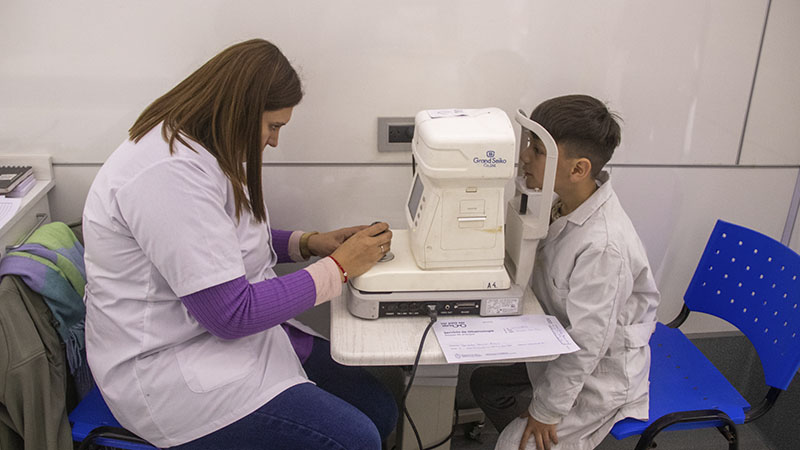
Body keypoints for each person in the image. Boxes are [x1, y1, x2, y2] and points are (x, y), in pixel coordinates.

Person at [82, 39, 397, 450]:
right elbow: (231, 315)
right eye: (273, 126)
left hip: (217, 343)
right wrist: (339, 268)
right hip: (171, 374)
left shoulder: (199, 146)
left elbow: (220, 242)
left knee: (381, 409)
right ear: (240, 111)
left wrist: (310, 243)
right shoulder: (167, 175)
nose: (274, 141)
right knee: (356, 440)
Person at [469, 95, 660, 450]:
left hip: (600, 373)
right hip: (557, 345)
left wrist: (546, 410)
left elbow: (588, 344)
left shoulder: (603, 246)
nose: (524, 156)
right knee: (487, 384)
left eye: (538, 150)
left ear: (577, 169)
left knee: (514, 446)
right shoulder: (559, 201)